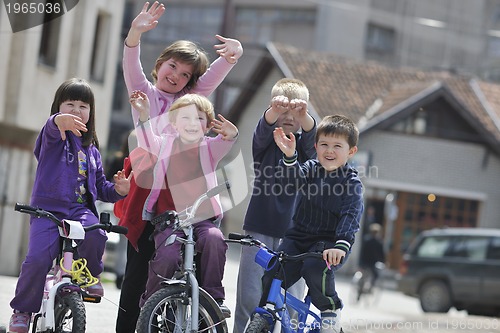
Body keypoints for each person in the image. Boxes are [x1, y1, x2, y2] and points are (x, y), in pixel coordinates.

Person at [116, 2, 243, 331]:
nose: (176, 76)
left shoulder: (189, 102)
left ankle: (190, 317)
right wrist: (135, 34)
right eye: (172, 67)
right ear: (160, 65)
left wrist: (230, 58)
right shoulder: (143, 94)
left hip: (186, 195)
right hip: (147, 192)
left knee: (195, 260)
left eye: (186, 74)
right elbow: (131, 65)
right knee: (139, 273)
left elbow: (209, 85)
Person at [8, 78, 131, 333]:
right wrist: (55, 122)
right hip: (47, 210)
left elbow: (100, 189)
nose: (76, 110)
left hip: (78, 210)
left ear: (91, 113)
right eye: (70, 104)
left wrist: (119, 190)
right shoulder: (53, 137)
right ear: (58, 107)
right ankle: (22, 310)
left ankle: (89, 275)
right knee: (38, 258)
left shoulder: (93, 150)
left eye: (83, 106)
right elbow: (51, 128)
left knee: (96, 233)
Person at [129, 91, 238, 316]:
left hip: (202, 218)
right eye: (185, 118)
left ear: (207, 126)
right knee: (167, 256)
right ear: (174, 123)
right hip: (170, 220)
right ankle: (152, 302)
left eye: (198, 118)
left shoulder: (209, 149)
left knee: (215, 240)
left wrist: (231, 134)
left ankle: (213, 299)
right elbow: (146, 140)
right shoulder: (165, 145)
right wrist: (144, 115)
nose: (192, 123)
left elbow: (225, 142)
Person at [263, 114, 364, 333]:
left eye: (337, 146)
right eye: (324, 144)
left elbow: (351, 216)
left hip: (329, 244)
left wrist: (340, 245)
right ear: (316, 146)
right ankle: (266, 316)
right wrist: (290, 156)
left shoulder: (351, 183)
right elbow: (292, 181)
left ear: (351, 151)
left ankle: (330, 311)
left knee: (314, 268)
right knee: (274, 273)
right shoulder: (310, 168)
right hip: (298, 237)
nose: (330, 151)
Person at [233, 78, 317, 333]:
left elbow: (312, 136)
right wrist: (274, 111)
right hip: (259, 227)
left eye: (296, 113)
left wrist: (306, 116)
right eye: (283, 112)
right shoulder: (266, 142)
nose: (289, 117)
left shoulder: (305, 148)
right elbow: (261, 129)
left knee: (291, 298)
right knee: (249, 294)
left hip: (295, 234)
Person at [359, 223, 385, 291]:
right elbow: (381, 254)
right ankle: (371, 287)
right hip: (372, 263)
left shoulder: (366, 240)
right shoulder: (379, 242)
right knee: (375, 275)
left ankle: (360, 289)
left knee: (362, 275)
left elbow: (362, 251)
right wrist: (383, 261)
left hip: (364, 261)